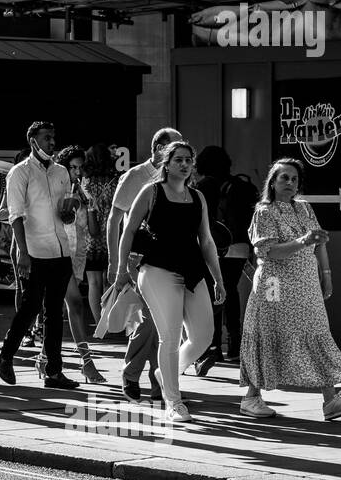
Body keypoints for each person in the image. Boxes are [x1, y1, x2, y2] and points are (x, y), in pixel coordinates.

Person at [237, 158, 341, 420]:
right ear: (272, 181)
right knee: (267, 332)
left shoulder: (304, 208)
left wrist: (326, 275)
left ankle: (331, 400)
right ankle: (251, 397)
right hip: (275, 285)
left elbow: (319, 243)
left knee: (316, 332)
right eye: (284, 178)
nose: (290, 183)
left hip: (305, 284)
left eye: (294, 179)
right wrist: (303, 240)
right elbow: (269, 251)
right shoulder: (265, 211)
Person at [113, 140, 224, 424]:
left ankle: (166, 373)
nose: (184, 164)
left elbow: (207, 240)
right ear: (167, 163)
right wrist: (120, 270)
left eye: (188, 160)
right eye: (178, 160)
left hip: (192, 270)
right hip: (157, 269)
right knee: (170, 337)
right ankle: (174, 402)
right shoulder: (151, 192)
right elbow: (128, 232)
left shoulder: (197, 197)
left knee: (203, 336)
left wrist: (218, 279)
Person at [0, 121, 81, 389]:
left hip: (60, 249)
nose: (51, 142)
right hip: (34, 250)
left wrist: (71, 210)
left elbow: (65, 210)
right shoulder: (20, 173)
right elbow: (15, 215)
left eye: (53, 137)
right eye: (46, 138)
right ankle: (6, 354)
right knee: (30, 308)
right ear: (33, 140)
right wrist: (21, 251)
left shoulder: (61, 172)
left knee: (54, 312)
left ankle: (53, 371)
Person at [106, 126, 183, 402]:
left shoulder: (181, 179)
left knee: (166, 322)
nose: (182, 156)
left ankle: (156, 382)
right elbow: (115, 220)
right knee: (151, 321)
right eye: (175, 148)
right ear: (158, 149)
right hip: (139, 259)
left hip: (171, 258)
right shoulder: (135, 176)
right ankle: (133, 373)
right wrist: (116, 262)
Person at [193, 145, 255, 364]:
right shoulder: (241, 185)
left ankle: (214, 346)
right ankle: (236, 345)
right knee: (231, 292)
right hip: (238, 247)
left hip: (212, 246)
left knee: (213, 294)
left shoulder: (201, 186)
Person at [55, 145, 105, 383]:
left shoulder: (86, 193)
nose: (76, 172)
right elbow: (63, 219)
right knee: (75, 305)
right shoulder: (57, 191)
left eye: (79, 167)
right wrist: (71, 201)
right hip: (57, 254)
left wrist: (91, 205)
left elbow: (95, 232)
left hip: (78, 258)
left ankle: (45, 359)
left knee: (58, 309)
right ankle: (87, 362)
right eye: (72, 167)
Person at [80, 142, 119, 324]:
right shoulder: (115, 181)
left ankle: (98, 322)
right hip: (112, 237)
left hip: (90, 238)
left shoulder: (85, 182)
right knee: (109, 280)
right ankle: (109, 319)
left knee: (93, 283)